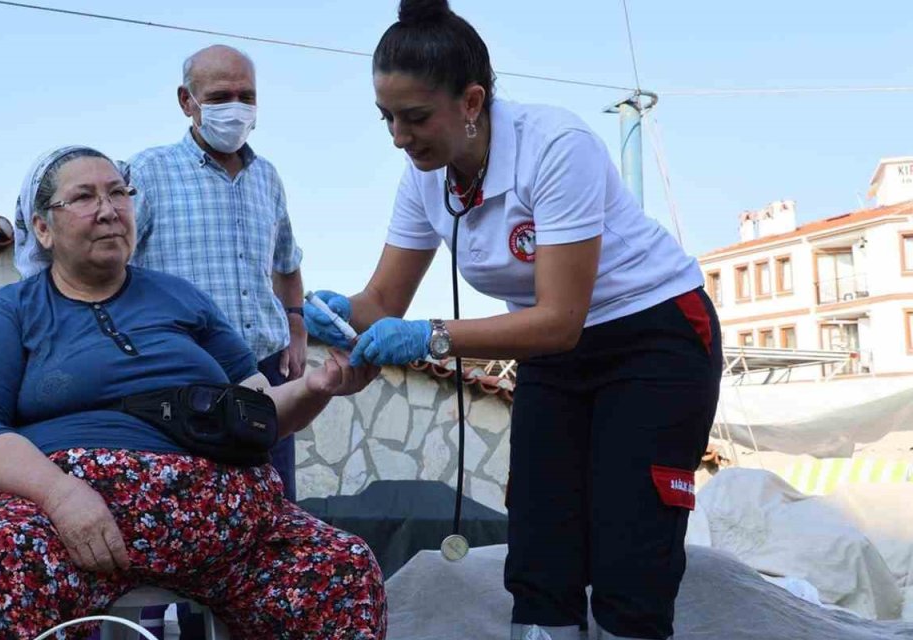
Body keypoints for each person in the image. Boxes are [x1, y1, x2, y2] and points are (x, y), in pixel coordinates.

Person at [304, 2, 722, 639]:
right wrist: (337, 318)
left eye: (415, 117)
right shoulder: (424, 178)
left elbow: (560, 320)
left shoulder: (555, 147)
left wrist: (431, 337)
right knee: (540, 543)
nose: (398, 136)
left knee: (630, 550)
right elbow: (382, 301)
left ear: (472, 102)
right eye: (386, 117)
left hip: (651, 335)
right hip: (551, 352)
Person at [0, 145, 387, 639]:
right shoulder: (12, 310)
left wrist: (317, 388)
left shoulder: (181, 297)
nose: (109, 210)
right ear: (43, 228)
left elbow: (257, 412)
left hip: (224, 530)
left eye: (119, 193)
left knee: (342, 564)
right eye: (84, 197)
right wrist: (61, 495)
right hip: (69, 525)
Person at [129, 44, 306, 502]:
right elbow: (112, 266)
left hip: (265, 376)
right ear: (186, 101)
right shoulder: (148, 172)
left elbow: (287, 263)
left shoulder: (267, 177)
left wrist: (296, 324)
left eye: (246, 96)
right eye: (220, 97)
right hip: (184, 377)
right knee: (194, 512)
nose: (236, 108)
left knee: (273, 510)